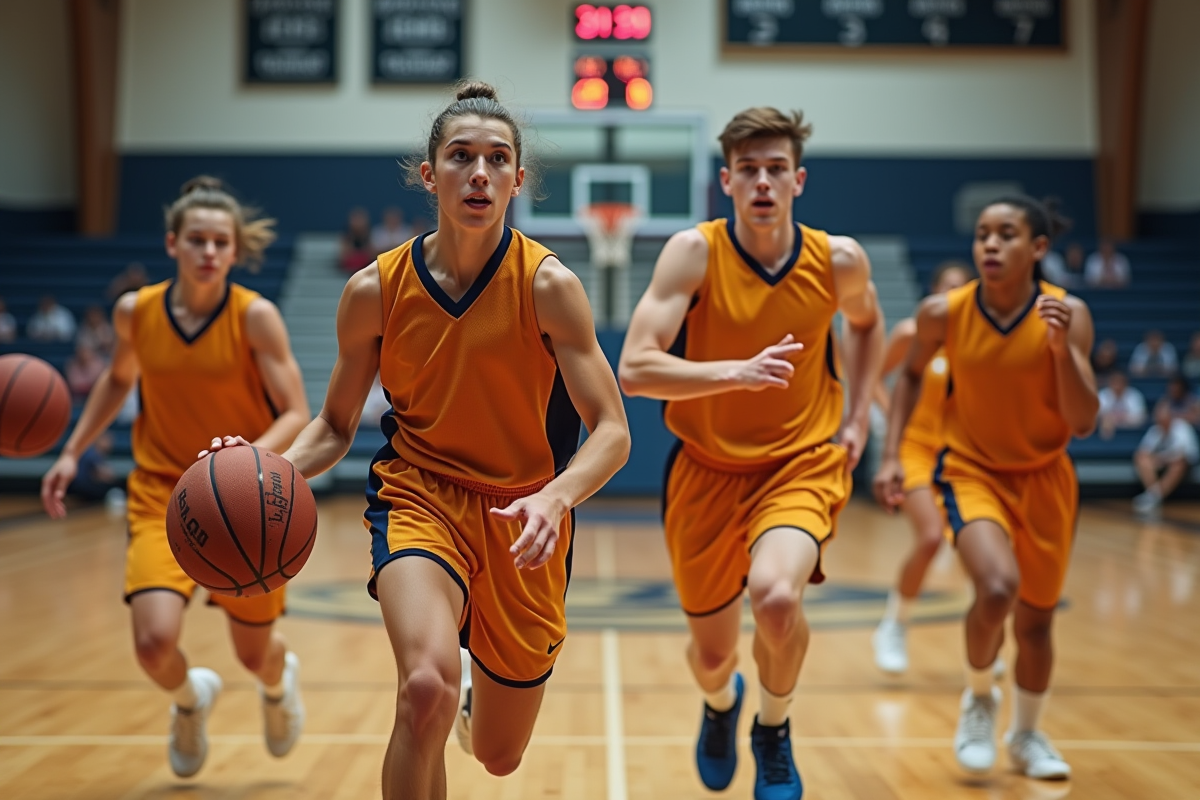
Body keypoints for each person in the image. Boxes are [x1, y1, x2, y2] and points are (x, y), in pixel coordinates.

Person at [203, 82, 630, 799]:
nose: (480, 173)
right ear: (429, 175)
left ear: (518, 180)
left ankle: (477, 705)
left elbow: (613, 430)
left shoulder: (549, 284)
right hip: (418, 499)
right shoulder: (375, 290)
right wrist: (260, 469)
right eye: (461, 157)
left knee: (498, 756)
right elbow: (335, 427)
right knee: (423, 690)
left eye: (498, 159)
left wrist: (558, 497)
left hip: (524, 516)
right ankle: (444, 684)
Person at [619, 106, 884, 800]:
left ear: (798, 180)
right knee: (711, 654)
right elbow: (635, 369)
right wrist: (729, 372)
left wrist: (857, 415)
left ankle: (773, 726)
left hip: (800, 463)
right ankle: (720, 703)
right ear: (726, 182)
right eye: (748, 170)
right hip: (705, 470)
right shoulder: (694, 253)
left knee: (773, 598)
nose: (762, 181)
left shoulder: (840, 260)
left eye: (775, 169)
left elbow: (867, 325)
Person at [40, 177, 311, 778]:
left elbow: (297, 411)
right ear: (172, 244)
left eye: (220, 242)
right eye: (197, 240)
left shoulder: (256, 317)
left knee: (253, 656)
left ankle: (278, 682)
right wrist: (71, 450)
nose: (209, 252)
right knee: (153, 643)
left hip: (245, 501)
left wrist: (247, 460)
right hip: (164, 494)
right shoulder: (136, 311)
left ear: (236, 251)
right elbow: (117, 379)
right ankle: (191, 700)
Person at [874, 195, 1098, 781]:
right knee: (996, 589)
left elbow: (1084, 420)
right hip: (970, 471)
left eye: (1006, 234)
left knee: (1036, 624)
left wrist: (1060, 353)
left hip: (1046, 479)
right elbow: (910, 376)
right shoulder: (943, 313)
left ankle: (1026, 734)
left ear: (1038, 248)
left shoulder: (1067, 313)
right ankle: (979, 699)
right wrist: (895, 452)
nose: (990, 245)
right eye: (982, 235)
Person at [870, 260, 972, 675]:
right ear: (931, 292)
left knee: (975, 547)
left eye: (961, 290)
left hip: (960, 455)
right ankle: (894, 625)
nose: (952, 295)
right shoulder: (912, 334)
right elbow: (876, 377)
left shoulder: (975, 341)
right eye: (946, 287)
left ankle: (985, 640)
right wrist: (892, 416)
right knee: (930, 538)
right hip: (914, 449)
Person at [1133, 402, 1199, 515]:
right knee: (1142, 459)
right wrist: (1156, 459)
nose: (1160, 421)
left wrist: (1160, 459)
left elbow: (1182, 455)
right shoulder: (1155, 430)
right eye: (1158, 418)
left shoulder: (1182, 428)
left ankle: (1151, 497)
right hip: (1164, 462)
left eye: (1162, 418)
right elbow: (1142, 452)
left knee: (1178, 465)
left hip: (1187, 464)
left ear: (1169, 417)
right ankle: (1154, 496)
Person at [68, 432, 119, 502]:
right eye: (106, 440)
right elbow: (105, 474)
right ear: (98, 439)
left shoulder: (94, 452)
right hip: (80, 487)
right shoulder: (92, 452)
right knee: (110, 489)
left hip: (80, 487)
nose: (110, 443)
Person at [1097, 370, 1147, 439]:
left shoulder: (1135, 395)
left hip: (1130, 433)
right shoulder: (1102, 395)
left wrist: (1118, 418)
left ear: (1125, 383)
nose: (1117, 385)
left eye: (1120, 382)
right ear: (1110, 383)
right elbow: (1097, 415)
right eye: (1114, 382)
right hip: (1107, 432)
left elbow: (1140, 418)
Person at [339, 207, 374, 273]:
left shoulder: (370, 236)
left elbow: (371, 255)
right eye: (355, 219)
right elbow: (343, 256)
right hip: (349, 271)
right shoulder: (346, 237)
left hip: (366, 269)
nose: (358, 222)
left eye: (360, 219)